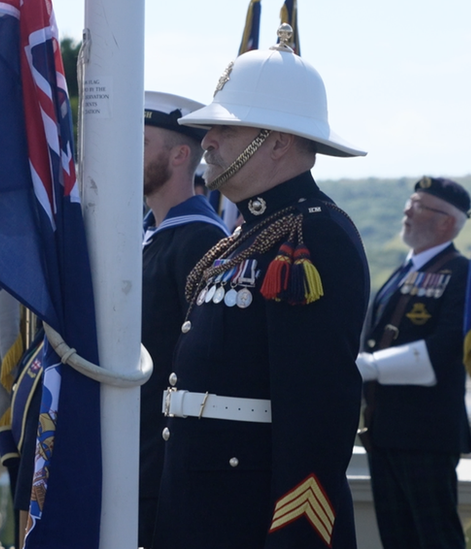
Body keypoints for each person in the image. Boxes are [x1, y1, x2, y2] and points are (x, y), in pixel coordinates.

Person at [154, 25, 369, 548]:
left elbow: (318, 411)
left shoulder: (314, 234)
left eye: (227, 130)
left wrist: (296, 536)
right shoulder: (240, 238)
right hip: (194, 510)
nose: (207, 140)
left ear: (277, 142)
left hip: (250, 522)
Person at [356, 176, 471, 549]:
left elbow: (445, 347)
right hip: (385, 430)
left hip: (427, 433)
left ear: (446, 222)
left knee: (436, 535)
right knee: (397, 537)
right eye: (410, 201)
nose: (407, 210)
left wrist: (368, 366)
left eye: (419, 206)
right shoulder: (403, 270)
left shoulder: (463, 274)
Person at [137, 91, 228, 548]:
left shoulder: (200, 240)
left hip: (164, 459)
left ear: (179, 155)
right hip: (134, 450)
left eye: (142, 141)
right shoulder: (147, 234)